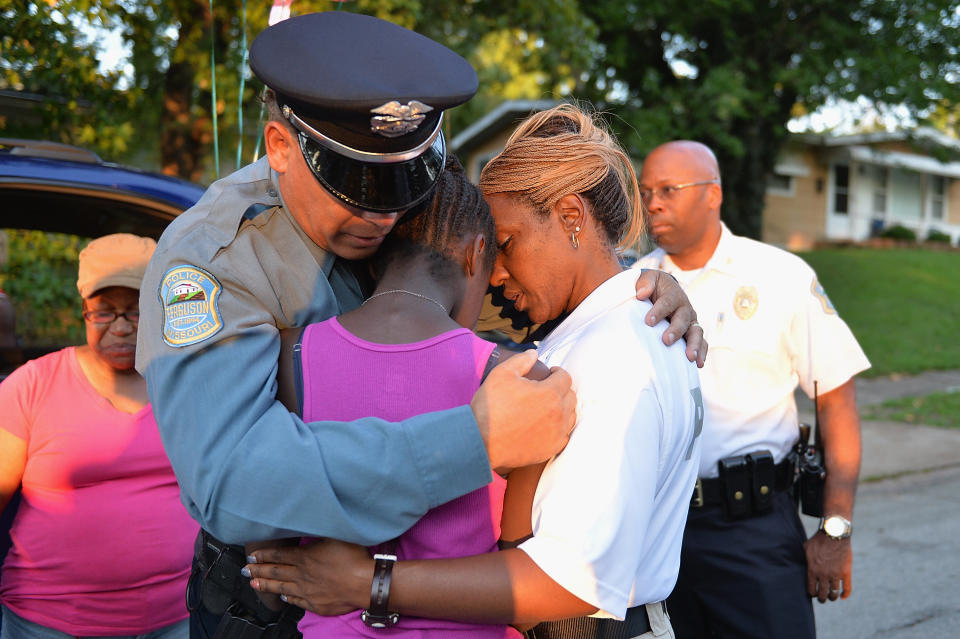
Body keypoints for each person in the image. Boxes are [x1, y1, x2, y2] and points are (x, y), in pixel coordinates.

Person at [135, 12, 704, 634]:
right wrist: (474, 441)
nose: (382, 215)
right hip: (271, 600)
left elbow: (510, 290)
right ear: (279, 146)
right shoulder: (217, 259)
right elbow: (235, 482)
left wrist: (637, 289)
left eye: (401, 181)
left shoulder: (396, 215)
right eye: (355, 182)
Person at [244, 104, 703, 639]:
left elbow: (566, 582)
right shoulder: (621, 326)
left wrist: (368, 582)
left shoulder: (612, 351)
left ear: (571, 217)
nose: (497, 276)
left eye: (506, 244)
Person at [635, 140, 870, 639]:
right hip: (658, 532)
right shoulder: (630, 286)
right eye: (646, 191)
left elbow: (837, 401)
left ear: (713, 194)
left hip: (754, 530)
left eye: (669, 190)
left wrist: (835, 531)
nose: (652, 203)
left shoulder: (780, 276)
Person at [0, 233, 197, 638]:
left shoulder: (183, 385)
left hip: (177, 616)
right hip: (50, 621)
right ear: (84, 311)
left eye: (136, 311)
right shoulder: (32, 385)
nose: (122, 328)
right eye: (104, 312)